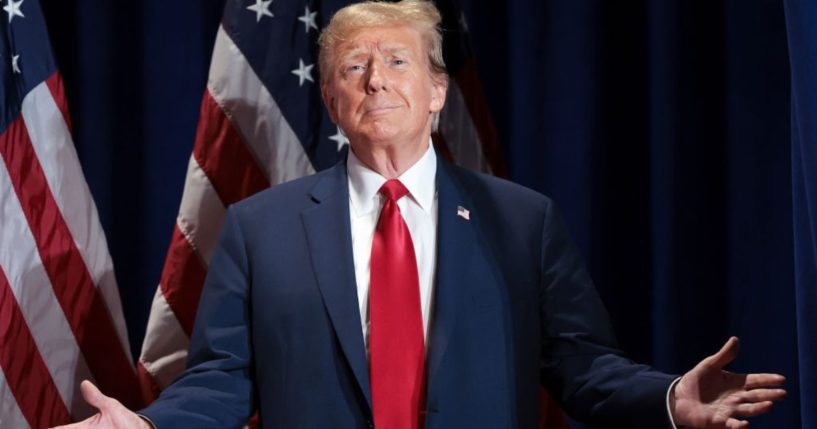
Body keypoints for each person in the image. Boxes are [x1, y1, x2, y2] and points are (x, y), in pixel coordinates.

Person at [54, 1, 786, 428]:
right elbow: (222, 380)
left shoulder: (520, 221)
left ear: (437, 91)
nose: (376, 79)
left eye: (397, 61)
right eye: (352, 67)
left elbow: (580, 367)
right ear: (335, 102)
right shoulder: (259, 228)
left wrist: (665, 397)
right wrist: (150, 427)